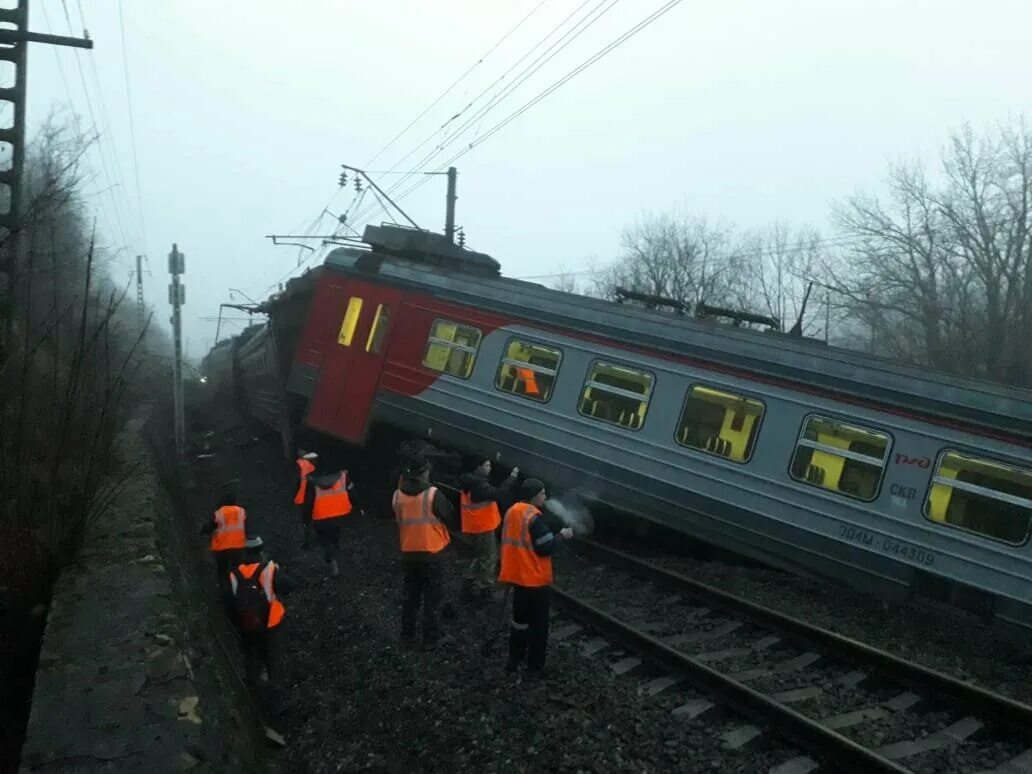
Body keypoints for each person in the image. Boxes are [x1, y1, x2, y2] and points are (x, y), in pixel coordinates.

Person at [498, 478, 573, 677]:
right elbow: (545, 547)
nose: (545, 497)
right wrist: (562, 536)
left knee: (519, 622)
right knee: (539, 625)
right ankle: (535, 667)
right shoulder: (533, 518)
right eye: (542, 493)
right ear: (533, 496)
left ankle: (514, 660)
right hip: (534, 580)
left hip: (516, 577)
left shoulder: (512, 511)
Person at [392, 453, 457, 649]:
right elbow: (450, 516)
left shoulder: (398, 495)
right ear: (426, 472)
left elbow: (398, 518)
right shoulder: (433, 494)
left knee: (410, 596)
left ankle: (407, 636)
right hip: (431, 553)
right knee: (432, 597)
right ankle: (431, 638)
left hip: (409, 553)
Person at [227, 536, 293, 687]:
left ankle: (255, 686)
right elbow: (289, 586)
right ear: (261, 551)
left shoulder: (234, 574)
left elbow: (229, 602)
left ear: (245, 553)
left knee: (251, 654)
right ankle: (274, 688)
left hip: (246, 624)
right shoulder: (269, 569)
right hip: (271, 622)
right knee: (272, 656)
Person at [458, 454, 519, 604]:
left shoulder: (468, 480)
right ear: (477, 468)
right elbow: (498, 494)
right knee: (488, 558)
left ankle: (467, 586)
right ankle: (484, 590)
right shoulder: (480, 486)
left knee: (475, 557)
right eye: (486, 465)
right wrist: (512, 477)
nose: (489, 468)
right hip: (483, 527)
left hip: (472, 525)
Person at [303, 466, 356, 577]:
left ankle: (332, 561)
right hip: (340, 514)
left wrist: (306, 520)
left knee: (324, 540)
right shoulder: (343, 477)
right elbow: (352, 492)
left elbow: (308, 503)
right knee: (334, 534)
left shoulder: (312, 483)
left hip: (321, 518)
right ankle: (336, 548)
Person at [200, 492, 247, 586]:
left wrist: (203, 531)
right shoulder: (241, 511)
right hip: (238, 547)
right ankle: (240, 589)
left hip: (222, 548)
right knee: (238, 569)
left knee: (222, 570)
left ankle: (223, 588)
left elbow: (211, 526)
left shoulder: (220, 512)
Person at [294, 449, 319, 548]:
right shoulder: (314, 467)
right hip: (315, 497)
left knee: (306, 521)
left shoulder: (299, 466)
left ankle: (306, 541)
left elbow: (296, 483)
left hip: (304, 499)